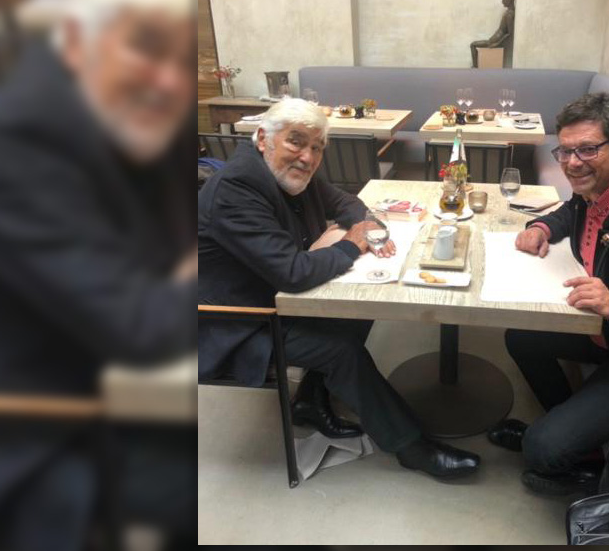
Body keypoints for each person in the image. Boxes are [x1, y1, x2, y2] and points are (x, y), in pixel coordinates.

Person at [0, 0, 198, 551]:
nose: (169, 81)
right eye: (145, 46)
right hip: (17, 437)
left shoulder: (106, 126)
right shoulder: (22, 150)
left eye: (186, 62)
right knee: (226, 497)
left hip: (110, 392)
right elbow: (145, 326)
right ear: (77, 41)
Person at [197, 98, 480, 479]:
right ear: (263, 138)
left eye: (317, 147)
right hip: (238, 320)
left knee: (361, 308)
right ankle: (411, 446)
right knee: (341, 349)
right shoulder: (237, 188)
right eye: (296, 141)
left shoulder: (285, 173)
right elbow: (293, 273)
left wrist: (369, 225)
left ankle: (311, 400)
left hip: (274, 296)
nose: (308, 157)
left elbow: (344, 200)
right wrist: (353, 243)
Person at [486, 92, 609, 496]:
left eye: (588, 149)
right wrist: (542, 227)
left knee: (540, 451)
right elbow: (571, 210)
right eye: (565, 151)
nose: (572, 163)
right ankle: (570, 429)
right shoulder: (596, 187)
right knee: (520, 335)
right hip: (601, 333)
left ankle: (567, 451)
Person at [470, 0, 515, 68]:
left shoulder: (509, 14)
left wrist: (497, 44)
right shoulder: (509, 12)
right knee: (473, 45)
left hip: (494, 41)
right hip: (494, 39)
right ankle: (475, 66)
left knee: (473, 45)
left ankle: (475, 67)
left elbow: (509, 34)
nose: (502, 2)